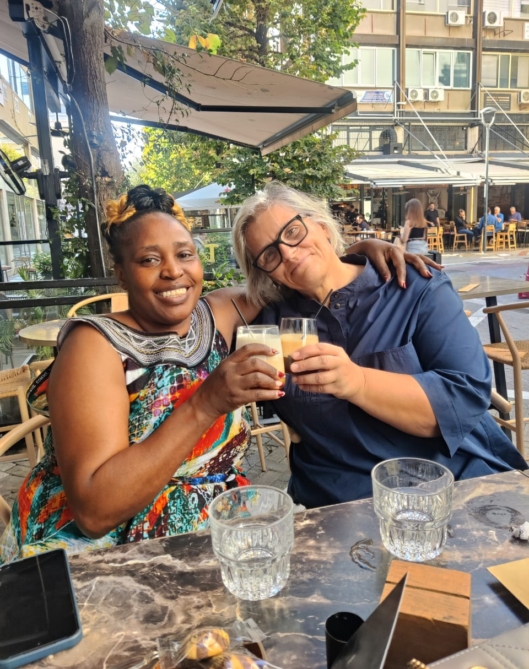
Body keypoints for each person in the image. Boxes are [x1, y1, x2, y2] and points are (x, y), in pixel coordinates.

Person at [0, 185, 437, 562]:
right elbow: (94, 513)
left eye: (184, 254)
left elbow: (302, 268)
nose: (173, 271)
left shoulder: (221, 313)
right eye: (149, 259)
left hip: (219, 538)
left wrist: (360, 252)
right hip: (103, 556)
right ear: (121, 274)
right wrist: (206, 403)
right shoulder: (94, 345)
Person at [232, 182, 527, 509]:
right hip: (336, 506)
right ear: (266, 273)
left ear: (321, 225)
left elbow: (465, 397)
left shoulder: (410, 285)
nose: (287, 252)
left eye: (293, 231)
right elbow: (205, 307)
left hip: (448, 487)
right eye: (269, 254)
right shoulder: (269, 323)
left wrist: (357, 382)